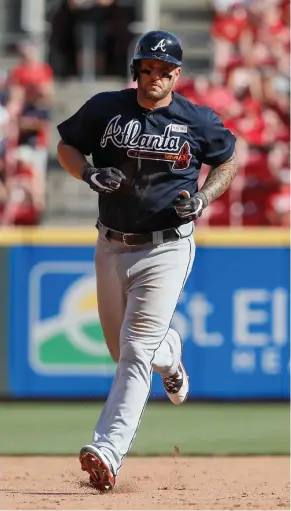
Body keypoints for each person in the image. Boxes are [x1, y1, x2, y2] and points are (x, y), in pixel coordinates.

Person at [57, 30, 237, 492]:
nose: (155, 76)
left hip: (167, 246)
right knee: (123, 353)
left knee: (135, 353)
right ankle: (171, 354)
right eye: (148, 68)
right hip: (111, 243)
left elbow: (228, 160)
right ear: (136, 69)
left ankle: (107, 451)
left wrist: (203, 197)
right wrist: (90, 172)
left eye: (164, 70)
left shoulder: (195, 119)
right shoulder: (105, 108)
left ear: (177, 74)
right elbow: (67, 147)